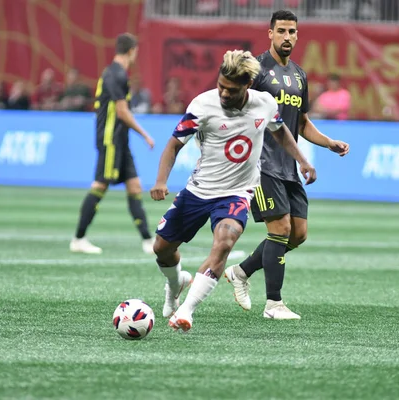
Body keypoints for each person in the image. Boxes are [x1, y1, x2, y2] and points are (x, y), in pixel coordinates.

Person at [150, 50, 316, 332]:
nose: (224, 94)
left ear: (247, 86)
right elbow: (174, 143)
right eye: (221, 87)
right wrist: (160, 181)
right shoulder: (202, 105)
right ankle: (175, 282)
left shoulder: (264, 104)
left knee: (224, 243)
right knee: (162, 250)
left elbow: (280, 130)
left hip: (236, 194)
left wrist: (302, 160)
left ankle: (186, 312)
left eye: (231, 89)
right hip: (198, 191)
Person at [224, 10, 350, 320]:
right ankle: (274, 304)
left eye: (292, 31)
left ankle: (241, 271)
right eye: (281, 31)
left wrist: (328, 142)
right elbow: (232, 103)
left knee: (298, 234)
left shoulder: (299, 75)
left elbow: (302, 122)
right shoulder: (256, 70)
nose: (287, 37)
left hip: (288, 165)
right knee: (280, 228)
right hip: (261, 163)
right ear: (270, 33)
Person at [70, 33, 156, 255]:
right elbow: (121, 111)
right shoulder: (116, 74)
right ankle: (78, 238)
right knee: (100, 185)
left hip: (120, 140)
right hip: (110, 139)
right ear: (131, 51)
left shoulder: (112, 72)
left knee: (135, 186)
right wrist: (145, 134)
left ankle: (148, 240)